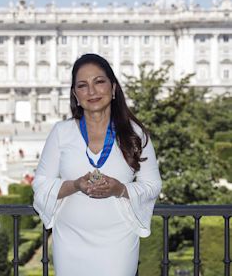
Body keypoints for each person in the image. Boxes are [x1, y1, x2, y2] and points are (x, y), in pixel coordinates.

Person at [32, 53, 162, 276]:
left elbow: (153, 185)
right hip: (70, 242)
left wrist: (120, 189)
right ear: (75, 94)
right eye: (83, 85)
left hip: (119, 243)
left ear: (113, 88)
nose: (91, 91)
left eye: (99, 82)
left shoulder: (135, 133)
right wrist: (75, 185)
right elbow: (41, 184)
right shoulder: (61, 132)